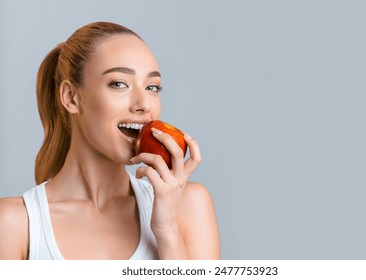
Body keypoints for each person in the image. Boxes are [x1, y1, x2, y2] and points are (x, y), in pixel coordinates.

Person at [0, 22, 220, 260]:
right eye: (119, 84)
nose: (144, 104)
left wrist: (167, 230)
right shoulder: (15, 224)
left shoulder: (188, 205)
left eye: (152, 87)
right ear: (71, 97)